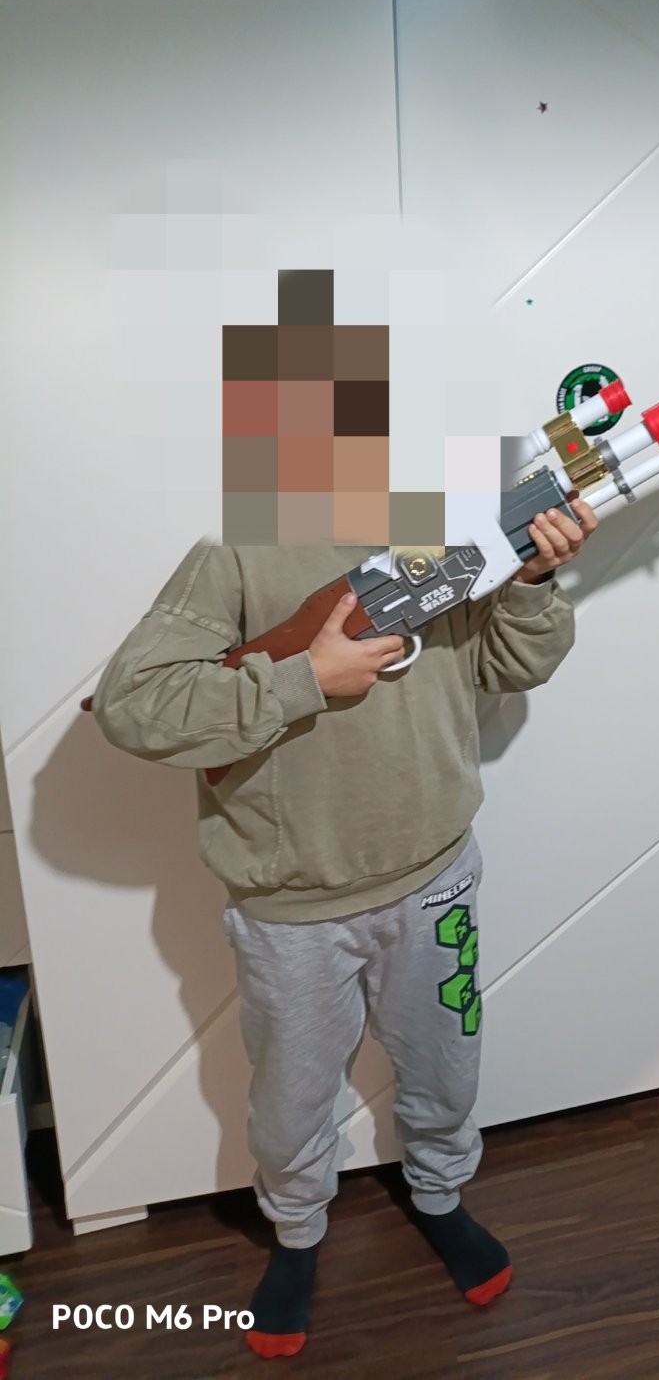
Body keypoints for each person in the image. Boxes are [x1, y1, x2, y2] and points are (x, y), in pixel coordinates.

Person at [89, 504, 595, 1359]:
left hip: (435, 873)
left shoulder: (453, 521)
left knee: (446, 1064)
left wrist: (535, 577)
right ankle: (296, 1234)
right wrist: (305, 678)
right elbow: (133, 704)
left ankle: (440, 1196)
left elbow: (513, 665)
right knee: (291, 1101)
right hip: (290, 903)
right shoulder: (238, 548)